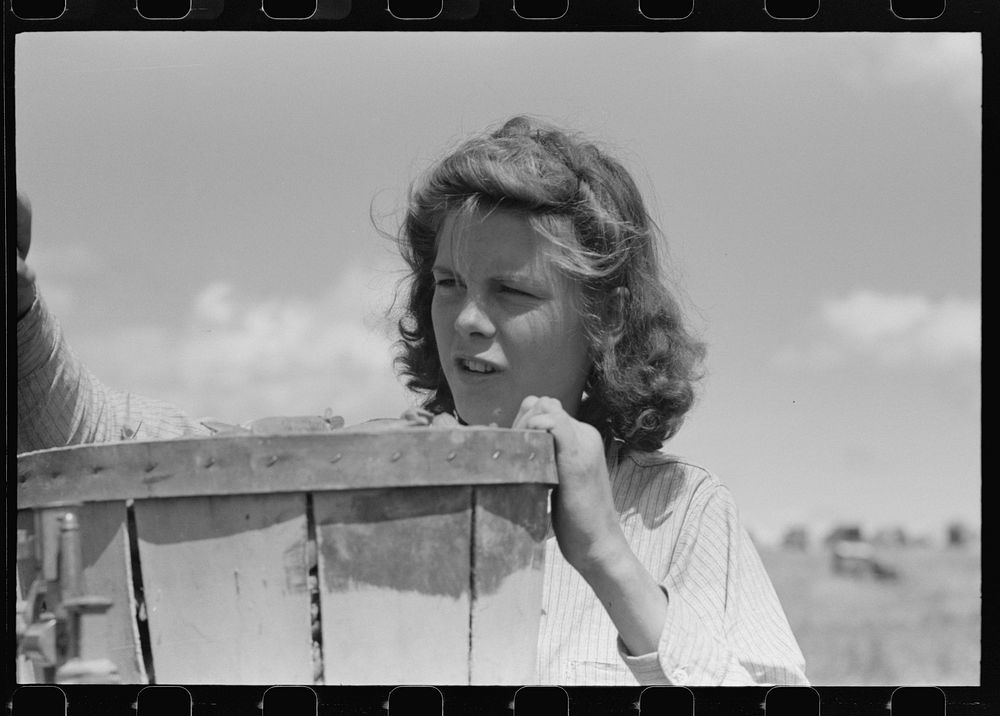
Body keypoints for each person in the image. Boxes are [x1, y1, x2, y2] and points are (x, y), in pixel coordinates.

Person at [16, 116, 808, 686]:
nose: (466, 319)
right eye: (448, 283)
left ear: (603, 320)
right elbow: (111, 443)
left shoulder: (680, 512)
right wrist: (18, 304)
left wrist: (606, 556)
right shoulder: (376, 478)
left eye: (512, 290)